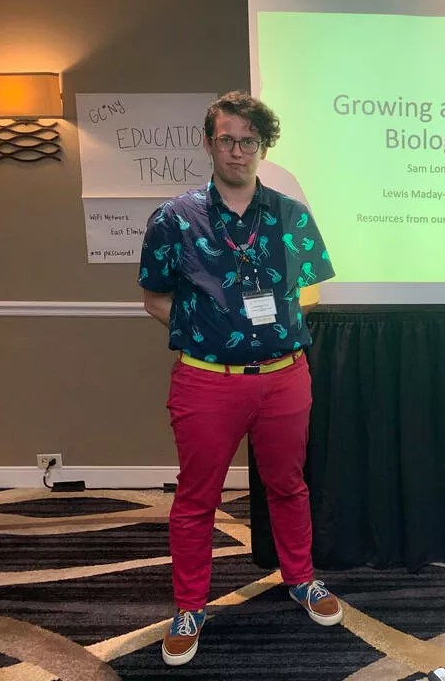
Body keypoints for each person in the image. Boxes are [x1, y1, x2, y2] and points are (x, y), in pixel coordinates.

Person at [138, 90, 341, 666]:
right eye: (226, 139)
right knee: (196, 497)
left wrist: (271, 326)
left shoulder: (290, 214)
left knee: (289, 486)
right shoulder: (175, 219)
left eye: (249, 141)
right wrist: (208, 328)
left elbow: (310, 288)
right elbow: (154, 298)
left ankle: (301, 578)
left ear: (263, 146)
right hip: (207, 381)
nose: (237, 150)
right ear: (209, 143)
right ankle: (189, 607)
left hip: (284, 377)